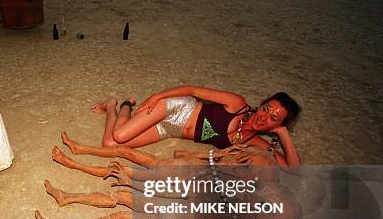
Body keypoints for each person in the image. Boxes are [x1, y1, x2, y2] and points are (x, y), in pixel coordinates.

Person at [36, 133, 301, 219]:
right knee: (120, 194)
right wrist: (137, 183)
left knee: (119, 216)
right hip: (163, 208)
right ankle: (67, 197)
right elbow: (178, 190)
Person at [91, 86, 301, 168]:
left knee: (109, 144)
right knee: (119, 135)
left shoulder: (252, 141)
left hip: (171, 130)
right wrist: (158, 96)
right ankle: (127, 103)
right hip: (174, 109)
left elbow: (293, 170)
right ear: (262, 104)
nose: (264, 117)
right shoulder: (237, 103)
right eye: (266, 109)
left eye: (274, 118)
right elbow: (193, 90)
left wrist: (283, 135)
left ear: (278, 125)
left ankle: (113, 104)